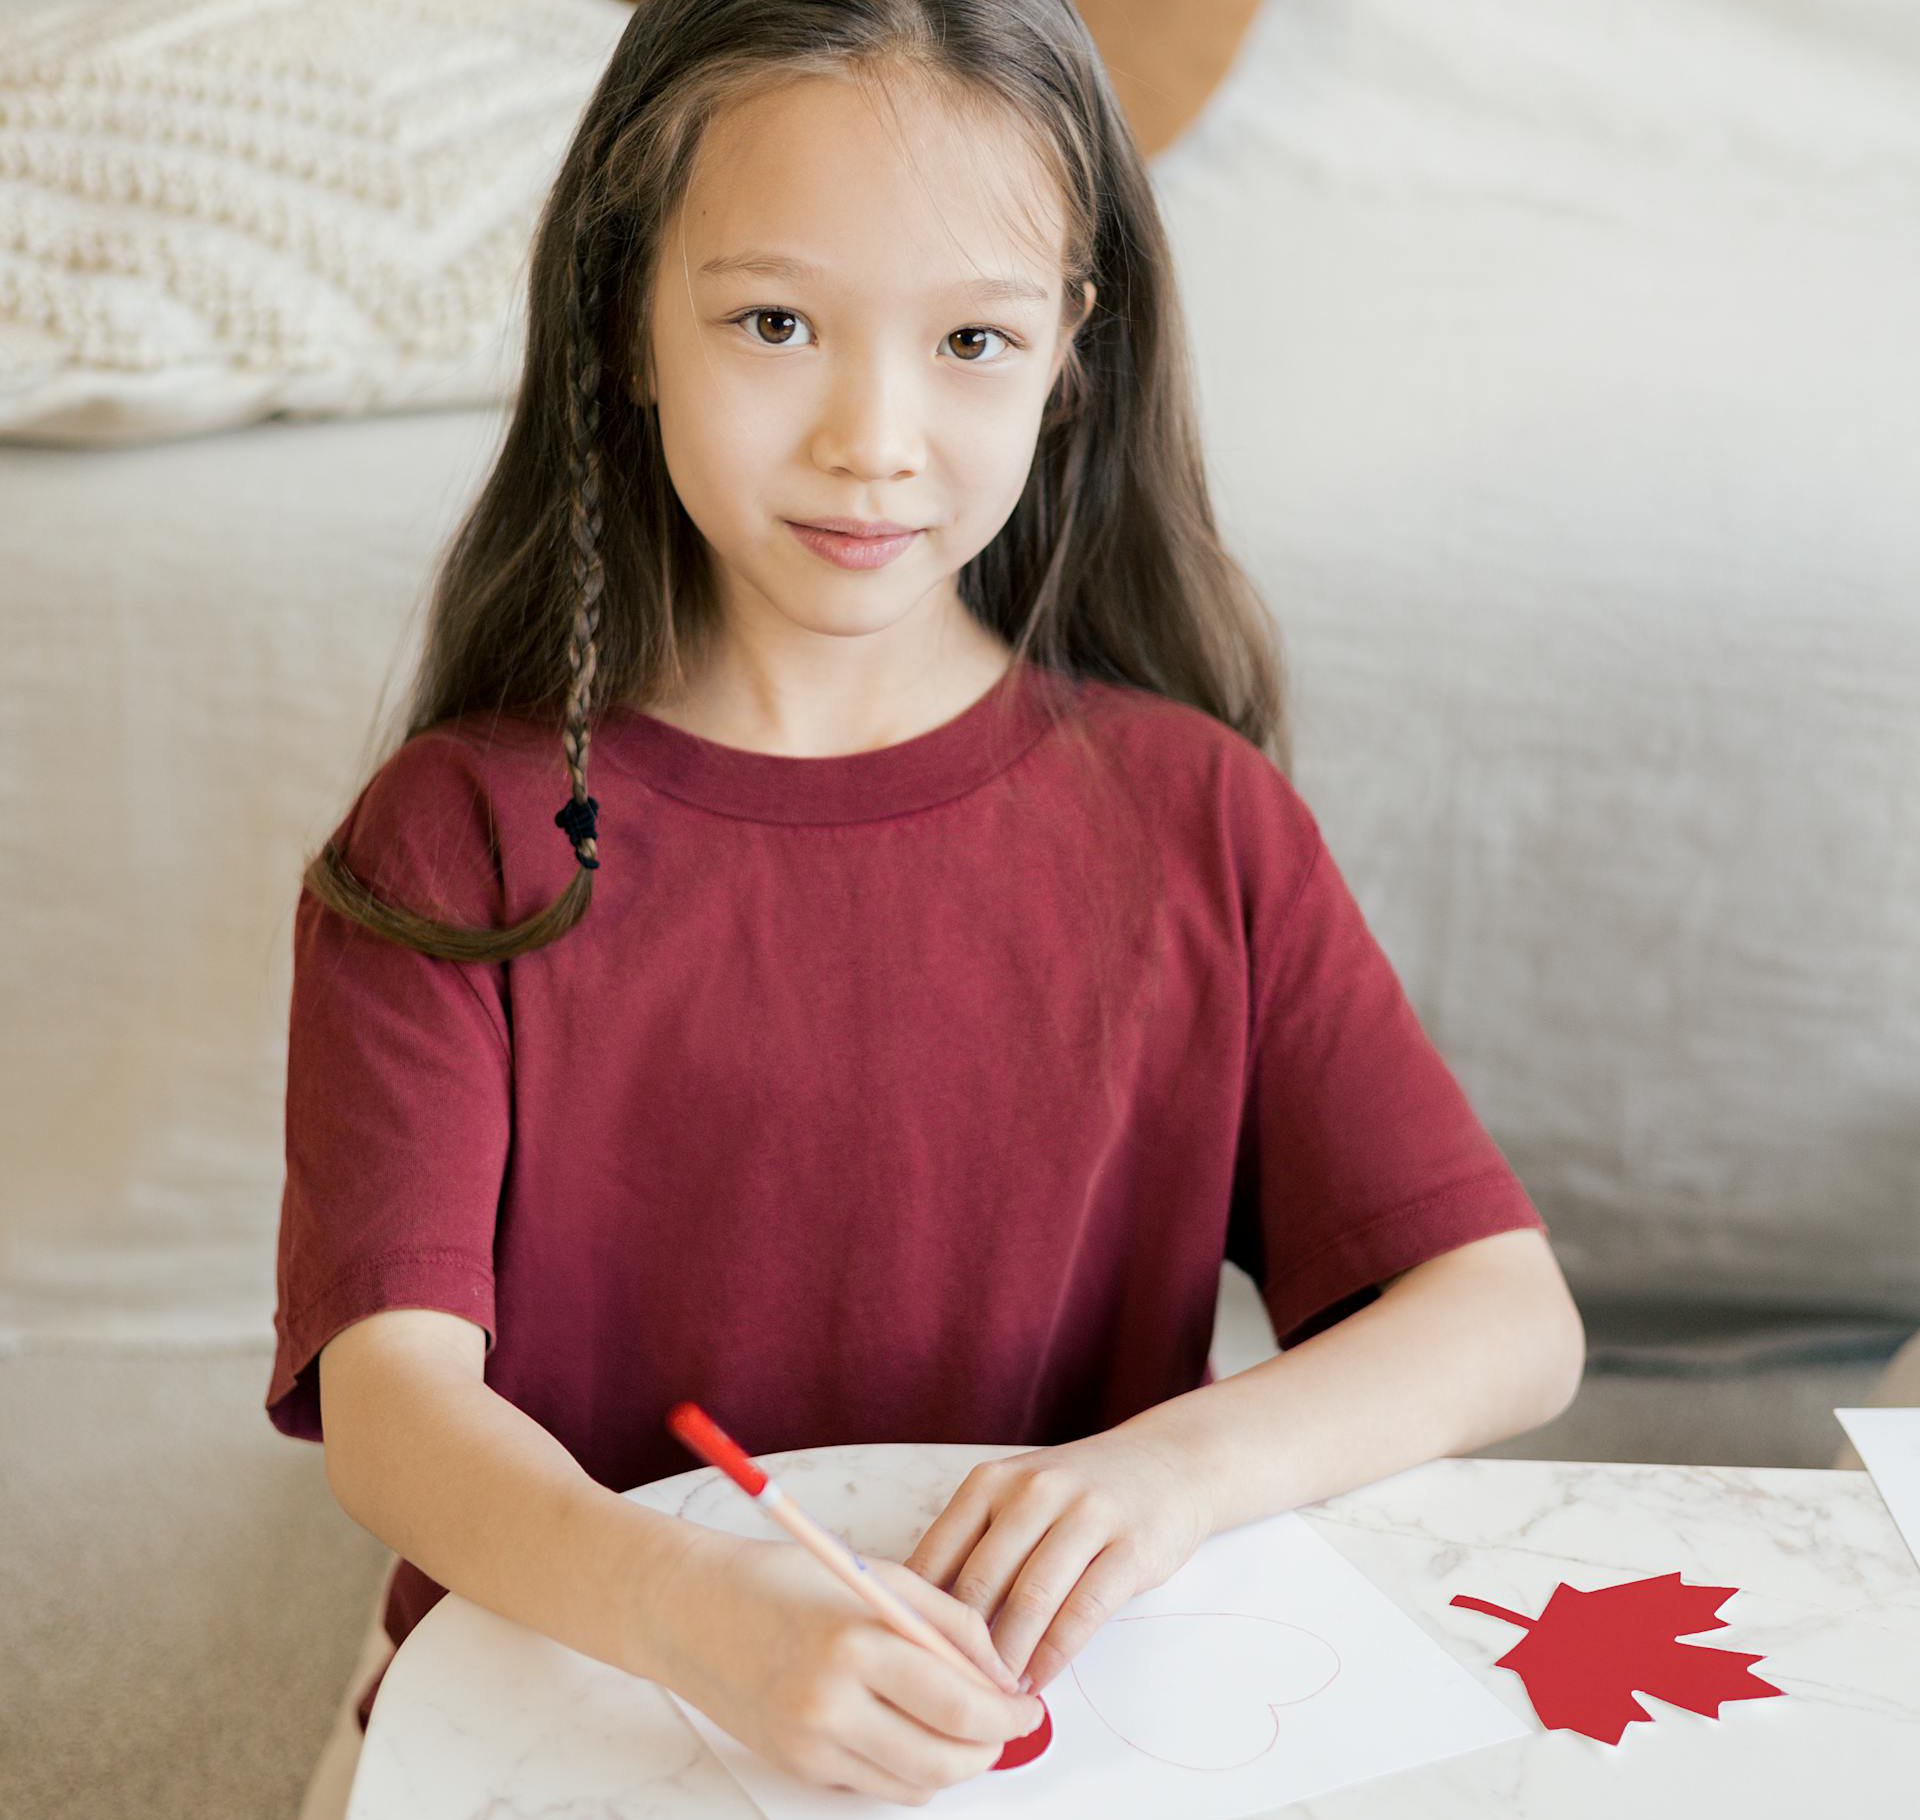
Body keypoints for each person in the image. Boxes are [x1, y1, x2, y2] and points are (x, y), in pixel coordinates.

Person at [266, 2, 1587, 1813]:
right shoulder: (452, 841)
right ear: (624, 324)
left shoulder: (1199, 814)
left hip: (1029, 1728)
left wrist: (1162, 1477)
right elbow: (395, 1412)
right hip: (585, 1687)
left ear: (1069, 358)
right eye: (776, 322)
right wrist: (686, 1609)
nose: (874, 440)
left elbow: (1507, 1316)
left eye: (971, 338)